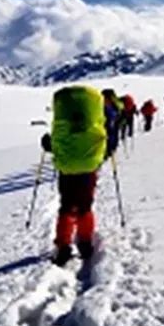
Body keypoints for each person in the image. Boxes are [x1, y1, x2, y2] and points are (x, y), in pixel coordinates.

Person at [43, 85, 110, 266]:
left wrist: (47, 144)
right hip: (88, 168)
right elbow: (102, 141)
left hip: (67, 169)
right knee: (85, 206)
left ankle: (63, 245)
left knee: (66, 207)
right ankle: (85, 242)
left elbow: (56, 144)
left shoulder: (63, 127)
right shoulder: (93, 125)